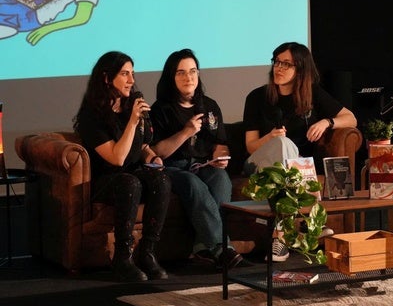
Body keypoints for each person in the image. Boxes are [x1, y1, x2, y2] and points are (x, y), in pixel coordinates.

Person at [243, 41, 357, 261]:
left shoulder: (311, 94)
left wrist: (326, 122)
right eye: (277, 61)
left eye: (287, 64)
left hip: (294, 170)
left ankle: (280, 238)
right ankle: (310, 221)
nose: (279, 68)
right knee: (282, 144)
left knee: (289, 154)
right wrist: (271, 138)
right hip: (258, 165)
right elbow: (250, 146)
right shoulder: (257, 97)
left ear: (301, 70)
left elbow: (351, 118)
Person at [73, 51, 171, 282]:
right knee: (130, 182)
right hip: (106, 179)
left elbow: (144, 145)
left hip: (133, 171)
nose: (131, 80)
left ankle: (147, 252)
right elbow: (116, 158)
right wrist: (133, 121)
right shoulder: (92, 116)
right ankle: (122, 258)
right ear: (107, 78)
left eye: (132, 74)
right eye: (125, 74)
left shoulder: (131, 107)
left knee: (162, 179)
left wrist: (151, 157)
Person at [150, 48, 243, 270]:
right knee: (194, 184)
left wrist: (221, 157)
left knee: (221, 179)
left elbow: (220, 143)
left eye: (193, 71)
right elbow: (157, 153)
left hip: (203, 164)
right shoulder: (160, 109)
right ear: (171, 77)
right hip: (173, 167)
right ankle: (223, 248)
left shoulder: (209, 106)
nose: (188, 77)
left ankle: (203, 247)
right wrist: (185, 132)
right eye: (181, 72)